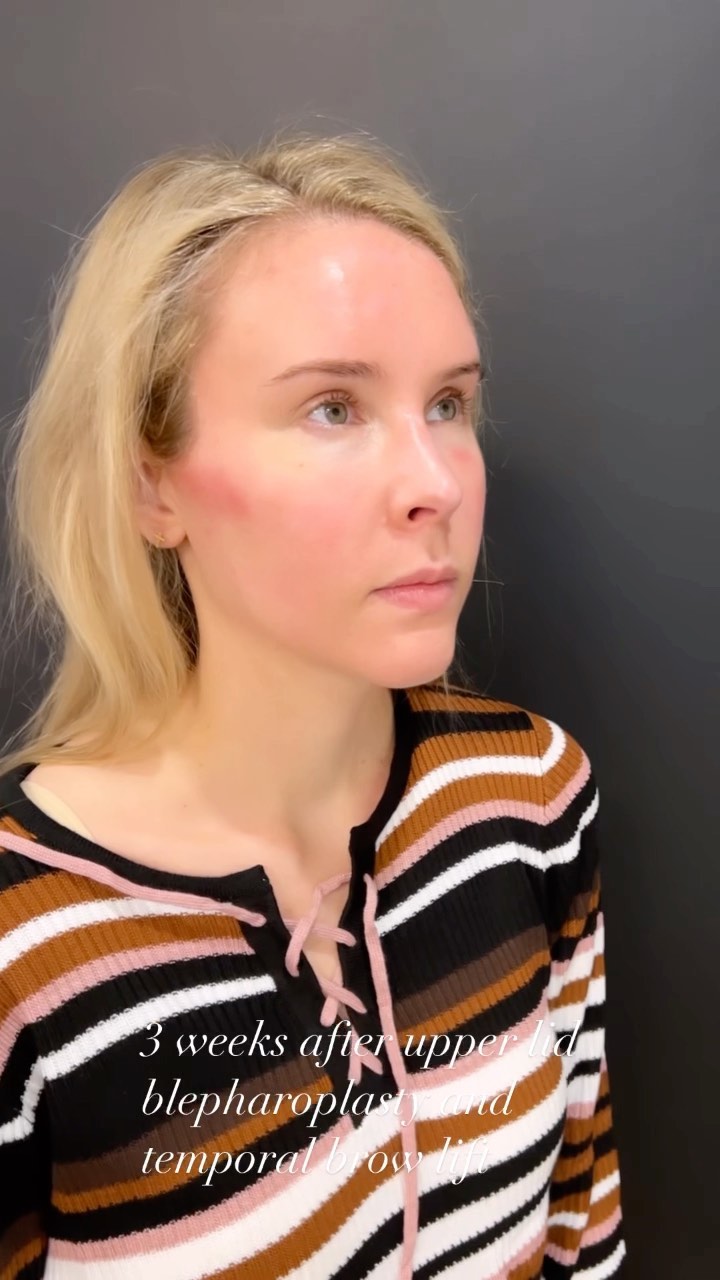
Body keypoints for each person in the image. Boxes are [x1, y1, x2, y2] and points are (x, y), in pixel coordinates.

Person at [0, 129, 626, 1278]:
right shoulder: (25, 946)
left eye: (450, 403)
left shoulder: (529, 795)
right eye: (333, 408)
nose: (436, 483)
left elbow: (582, 1224)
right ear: (150, 482)